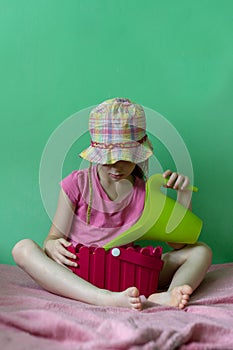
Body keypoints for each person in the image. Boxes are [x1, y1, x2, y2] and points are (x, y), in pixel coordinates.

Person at [12, 98, 212, 311]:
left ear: (138, 155)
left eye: (125, 158)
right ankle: (102, 297)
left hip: (128, 272)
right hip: (77, 272)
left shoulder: (144, 193)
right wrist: (51, 244)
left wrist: (183, 196)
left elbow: (179, 245)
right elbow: (53, 238)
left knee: (201, 251)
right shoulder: (76, 184)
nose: (116, 167)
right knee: (22, 248)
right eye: (109, 159)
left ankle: (168, 294)